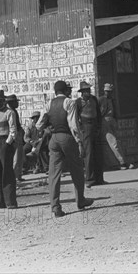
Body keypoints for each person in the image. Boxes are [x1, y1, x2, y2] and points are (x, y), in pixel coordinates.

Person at [37, 80, 93, 217]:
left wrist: (48, 128)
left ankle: (55, 207)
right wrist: (79, 142)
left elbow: (39, 125)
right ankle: (80, 200)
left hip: (54, 139)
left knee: (54, 174)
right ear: (65, 90)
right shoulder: (69, 102)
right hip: (67, 137)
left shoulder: (49, 104)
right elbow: (73, 125)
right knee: (77, 169)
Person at [99, 83, 135, 170]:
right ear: (104, 91)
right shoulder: (101, 99)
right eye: (107, 91)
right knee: (114, 142)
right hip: (105, 121)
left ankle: (118, 162)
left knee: (115, 142)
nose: (108, 93)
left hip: (112, 120)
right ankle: (122, 162)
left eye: (110, 91)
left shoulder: (112, 100)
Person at [77, 81, 105, 188]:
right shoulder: (78, 102)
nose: (88, 93)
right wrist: (80, 130)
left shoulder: (94, 99)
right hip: (85, 126)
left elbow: (98, 114)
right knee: (88, 154)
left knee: (98, 153)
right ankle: (89, 178)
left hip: (95, 126)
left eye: (89, 90)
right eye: (86, 91)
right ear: (82, 92)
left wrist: (99, 127)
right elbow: (76, 118)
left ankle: (99, 178)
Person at [6, 94, 26, 182]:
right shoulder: (11, 112)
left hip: (18, 134)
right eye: (15, 102)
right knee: (16, 157)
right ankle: (15, 176)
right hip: (15, 135)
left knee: (19, 156)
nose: (17, 104)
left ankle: (18, 175)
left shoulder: (13, 111)